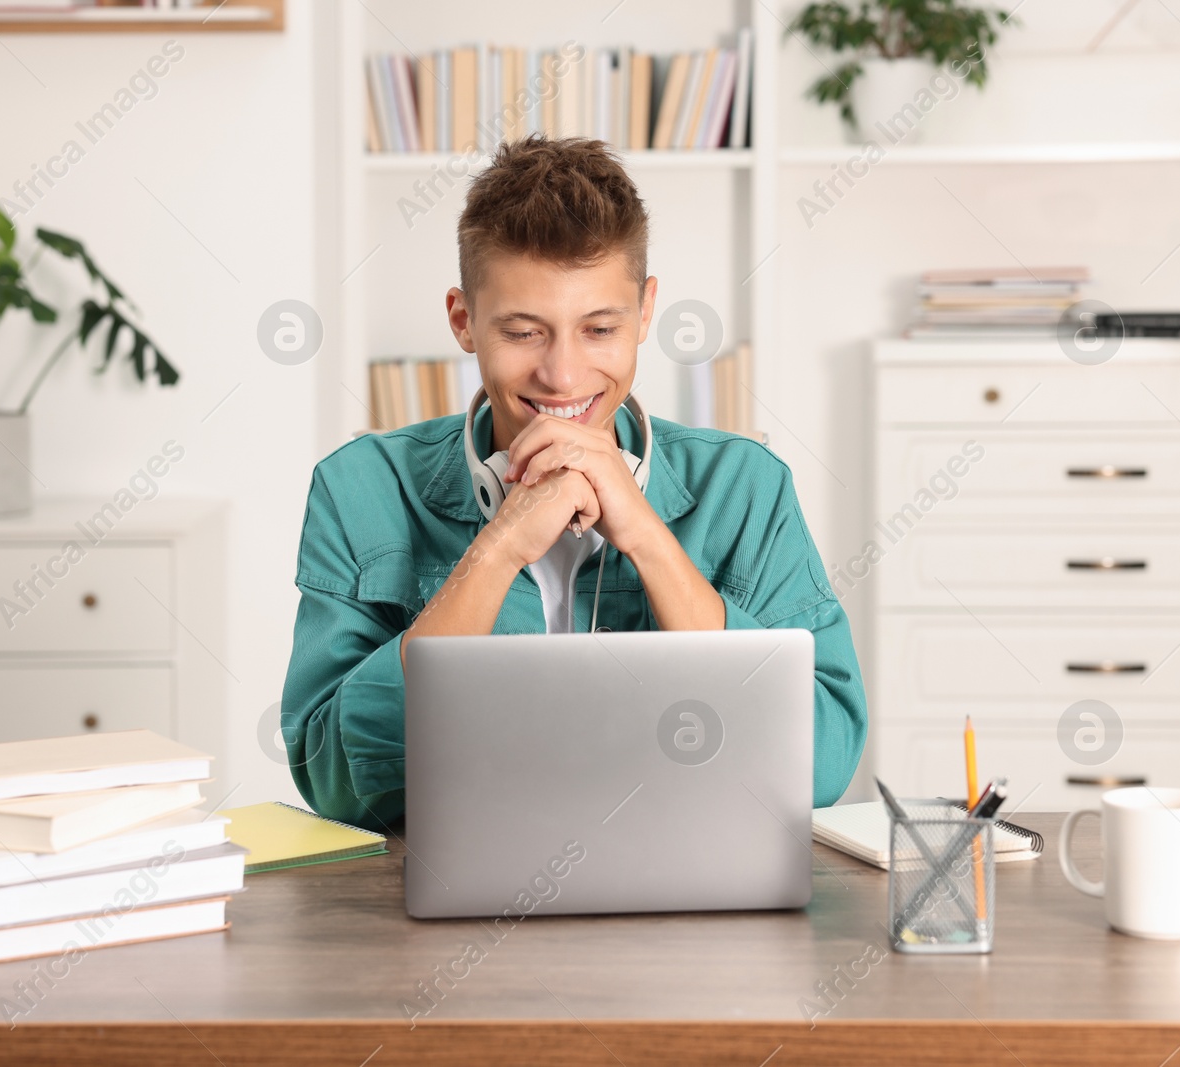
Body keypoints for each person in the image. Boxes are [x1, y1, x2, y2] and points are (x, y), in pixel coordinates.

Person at [281, 135, 866, 831]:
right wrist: (496, 552)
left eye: (598, 328)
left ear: (646, 313)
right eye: (525, 332)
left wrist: (648, 539)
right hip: (447, 911)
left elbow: (821, 767)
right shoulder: (359, 489)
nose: (562, 374)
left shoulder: (747, 486)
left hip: (686, 899)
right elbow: (335, 783)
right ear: (464, 321)